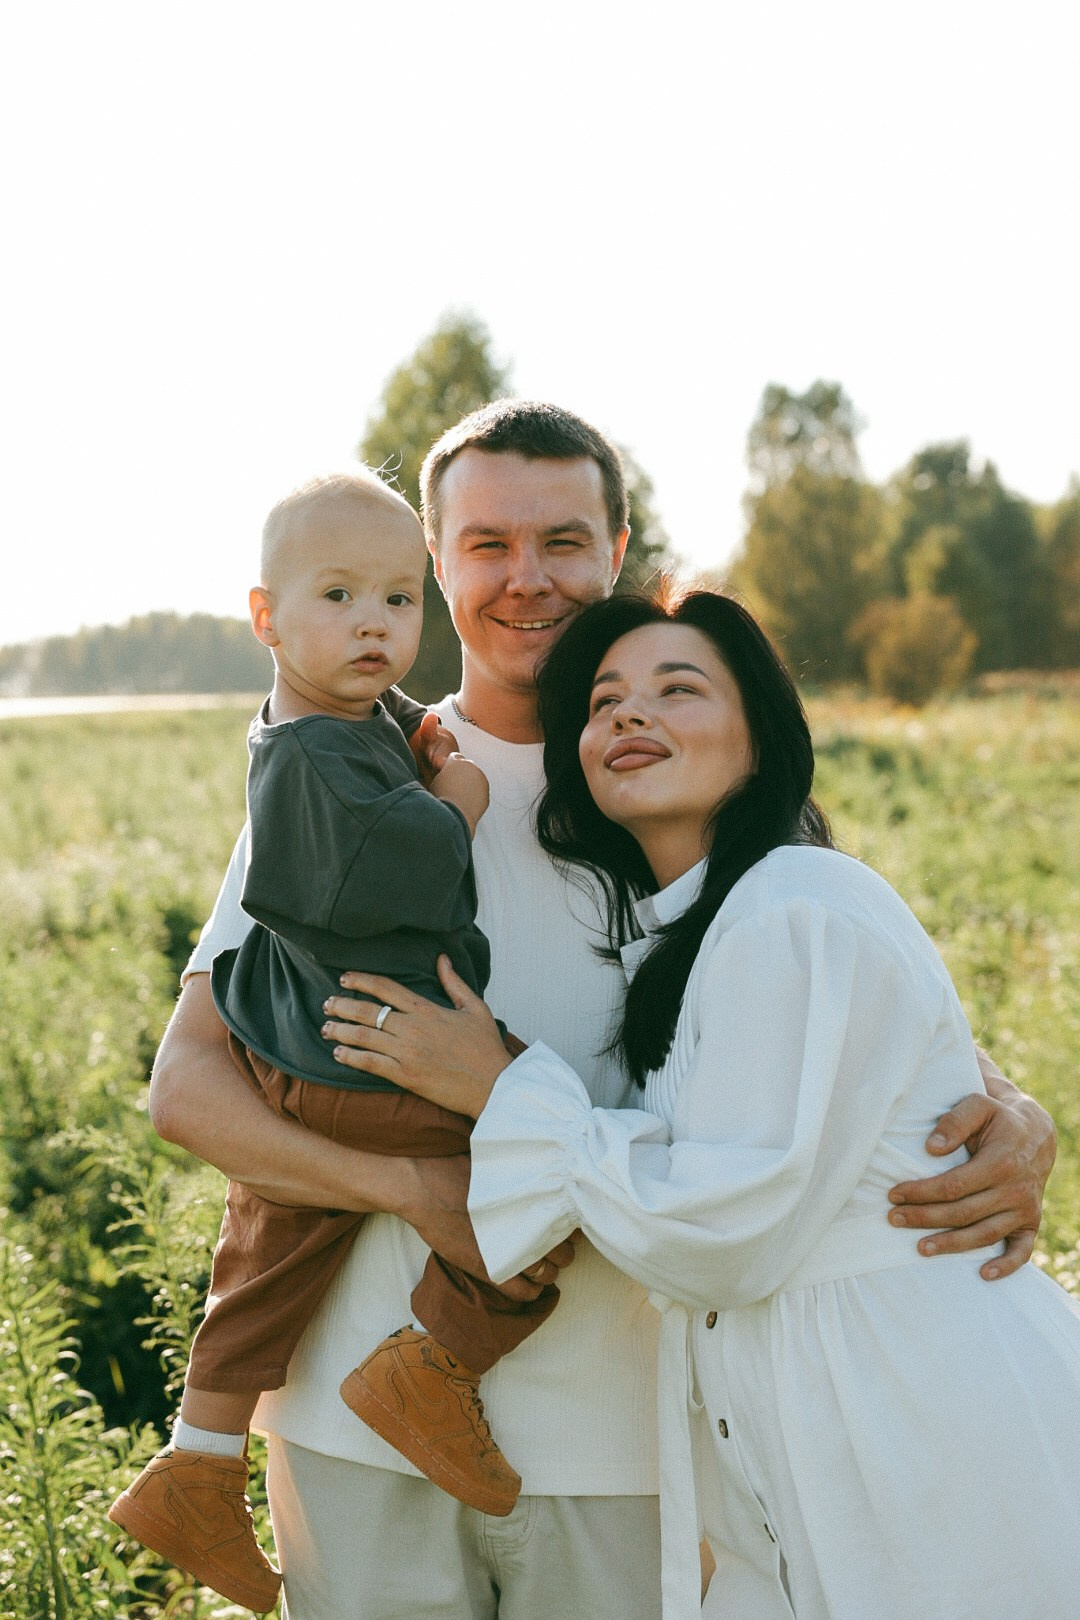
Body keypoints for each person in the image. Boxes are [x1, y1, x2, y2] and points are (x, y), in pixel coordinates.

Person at [150, 401, 1057, 1620]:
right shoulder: (359, 776)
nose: (528, 580)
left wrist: (1010, 1103)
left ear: (617, 548)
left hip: (632, 1445)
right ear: (435, 560)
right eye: (486, 546)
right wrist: (413, 1190)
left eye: (564, 542)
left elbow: (839, 1004)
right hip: (356, 1429)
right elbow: (188, 1087)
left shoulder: (673, 779)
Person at [331, 584, 1080, 1620]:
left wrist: (500, 1087)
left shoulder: (793, 904)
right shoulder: (695, 933)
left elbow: (725, 1226)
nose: (629, 715)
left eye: (676, 690)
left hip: (917, 1415)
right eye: (602, 703)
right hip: (825, 1426)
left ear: (762, 743)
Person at [109, 470, 556, 1613]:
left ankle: (199, 1462)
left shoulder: (351, 721)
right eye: (342, 597)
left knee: (278, 1237)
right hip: (370, 1052)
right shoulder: (308, 758)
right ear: (266, 618)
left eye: (395, 602)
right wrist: (454, 797)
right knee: (543, 1186)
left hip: (319, 1053)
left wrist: (415, 727)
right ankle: (434, 1364)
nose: (374, 625)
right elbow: (396, 863)